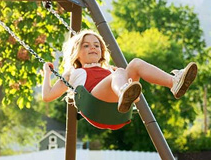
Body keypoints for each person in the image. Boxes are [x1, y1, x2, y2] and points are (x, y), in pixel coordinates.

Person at [41, 29, 198, 116]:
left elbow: (119, 73)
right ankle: (124, 92)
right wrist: (47, 73)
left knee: (135, 63)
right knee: (119, 72)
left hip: (116, 106)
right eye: (86, 45)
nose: (93, 48)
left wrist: (117, 75)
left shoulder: (109, 70)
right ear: (76, 52)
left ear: (102, 51)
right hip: (95, 103)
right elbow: (47, 96)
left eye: (96, 45)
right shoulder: (73, 73)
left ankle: (174, 83)